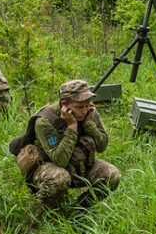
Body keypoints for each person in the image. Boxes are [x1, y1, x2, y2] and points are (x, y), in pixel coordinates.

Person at [9, 80, 121, 208]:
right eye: (80, 107)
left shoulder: (89, 112)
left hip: (78, 163)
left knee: (112, 175)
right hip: (48, 166)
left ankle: (81, 209)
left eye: (87, 105)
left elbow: (102, 146)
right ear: (64, 104)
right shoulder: (45, 121)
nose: (84, 110)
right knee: (59, 179)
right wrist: (72, 127)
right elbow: (60, 160)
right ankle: (45, 211)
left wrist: (89, 125)